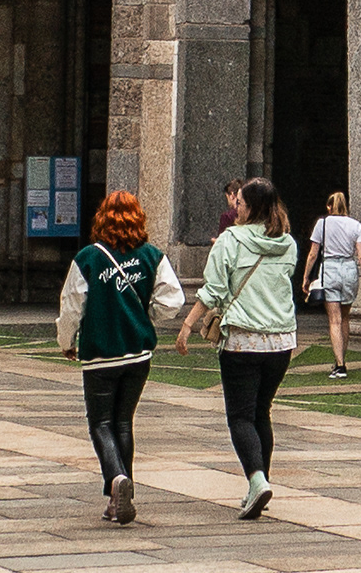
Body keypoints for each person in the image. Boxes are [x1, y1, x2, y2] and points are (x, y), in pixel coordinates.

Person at [175, 176, 301, 520]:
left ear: (251, 208)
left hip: (243, 339)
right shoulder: (287, 243)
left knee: (241, 416)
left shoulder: (230, 240)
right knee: (262, 411)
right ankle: (259, 483)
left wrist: (187, 325)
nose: (236, 208)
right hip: (281, 341)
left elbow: (213, 290)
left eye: (240, 203)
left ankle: (256, 479)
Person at [55, 189, 185, 524]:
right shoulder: (151, 255)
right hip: (138, 353)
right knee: (124, 421)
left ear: (103, 218)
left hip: (101, 354)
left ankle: (116, 480)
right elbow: (173, 300)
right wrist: (146, 314)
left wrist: (66, 341)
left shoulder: (88, 258)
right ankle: (122, 492)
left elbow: (71, 306)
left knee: (100, 422)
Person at [300, 190, 361, 380]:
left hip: (331, 269)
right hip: (350, 269)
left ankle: (340, 365)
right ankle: (340, 360)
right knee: (345, 318)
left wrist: (305, 277)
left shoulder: (323, 223)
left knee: (334, 320)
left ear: (329, 206)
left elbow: (313, 253)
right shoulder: (355, 225)